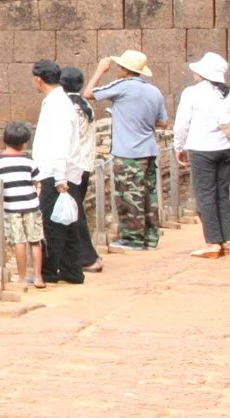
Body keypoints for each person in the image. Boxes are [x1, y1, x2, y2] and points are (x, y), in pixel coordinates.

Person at [171, 53, 230, 260]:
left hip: (202, 149)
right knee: (221, 194)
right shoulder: (228, 94)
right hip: (225, 148)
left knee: (205, 195)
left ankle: (213, 242)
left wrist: (178, 146)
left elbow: (182, 124)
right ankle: (223, 239)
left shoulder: (192, 93)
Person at [91, 51, 168, 251]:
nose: (117, 70)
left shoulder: (122, 86)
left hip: (128, 152)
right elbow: (162, 122)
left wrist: (100, 70)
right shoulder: (154, 91)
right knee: (149, 195)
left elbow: (89, 94)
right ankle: (150, 237)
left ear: (125, 70)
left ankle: (132, 238)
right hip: (149, 150)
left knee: (128, 196)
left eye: (119, 67)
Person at [29, 59, 83, 285]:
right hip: (61, 171)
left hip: (57, 173)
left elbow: (60, 143)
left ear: (38, 80)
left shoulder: (58, 105)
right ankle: (72, 270)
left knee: (52, 224)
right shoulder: (57, 102)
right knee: (68, 223)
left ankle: (49, 271)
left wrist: (60, 177)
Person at [0, 121, 44, 288]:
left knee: (19, 241)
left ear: (5, 139)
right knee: (35, 240)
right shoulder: (28, 160)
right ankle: (38, 277)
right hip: (31, 205)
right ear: (24, 142)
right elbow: (37, 181)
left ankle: (22, 279)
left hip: (12, 207)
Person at [59, 66, 103, 275]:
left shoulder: (68, 108)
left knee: (74, 213)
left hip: (72, 168)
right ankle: (74, 256)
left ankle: (88, 258)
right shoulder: (85, 105)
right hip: (85, 165)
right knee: (74, 210)